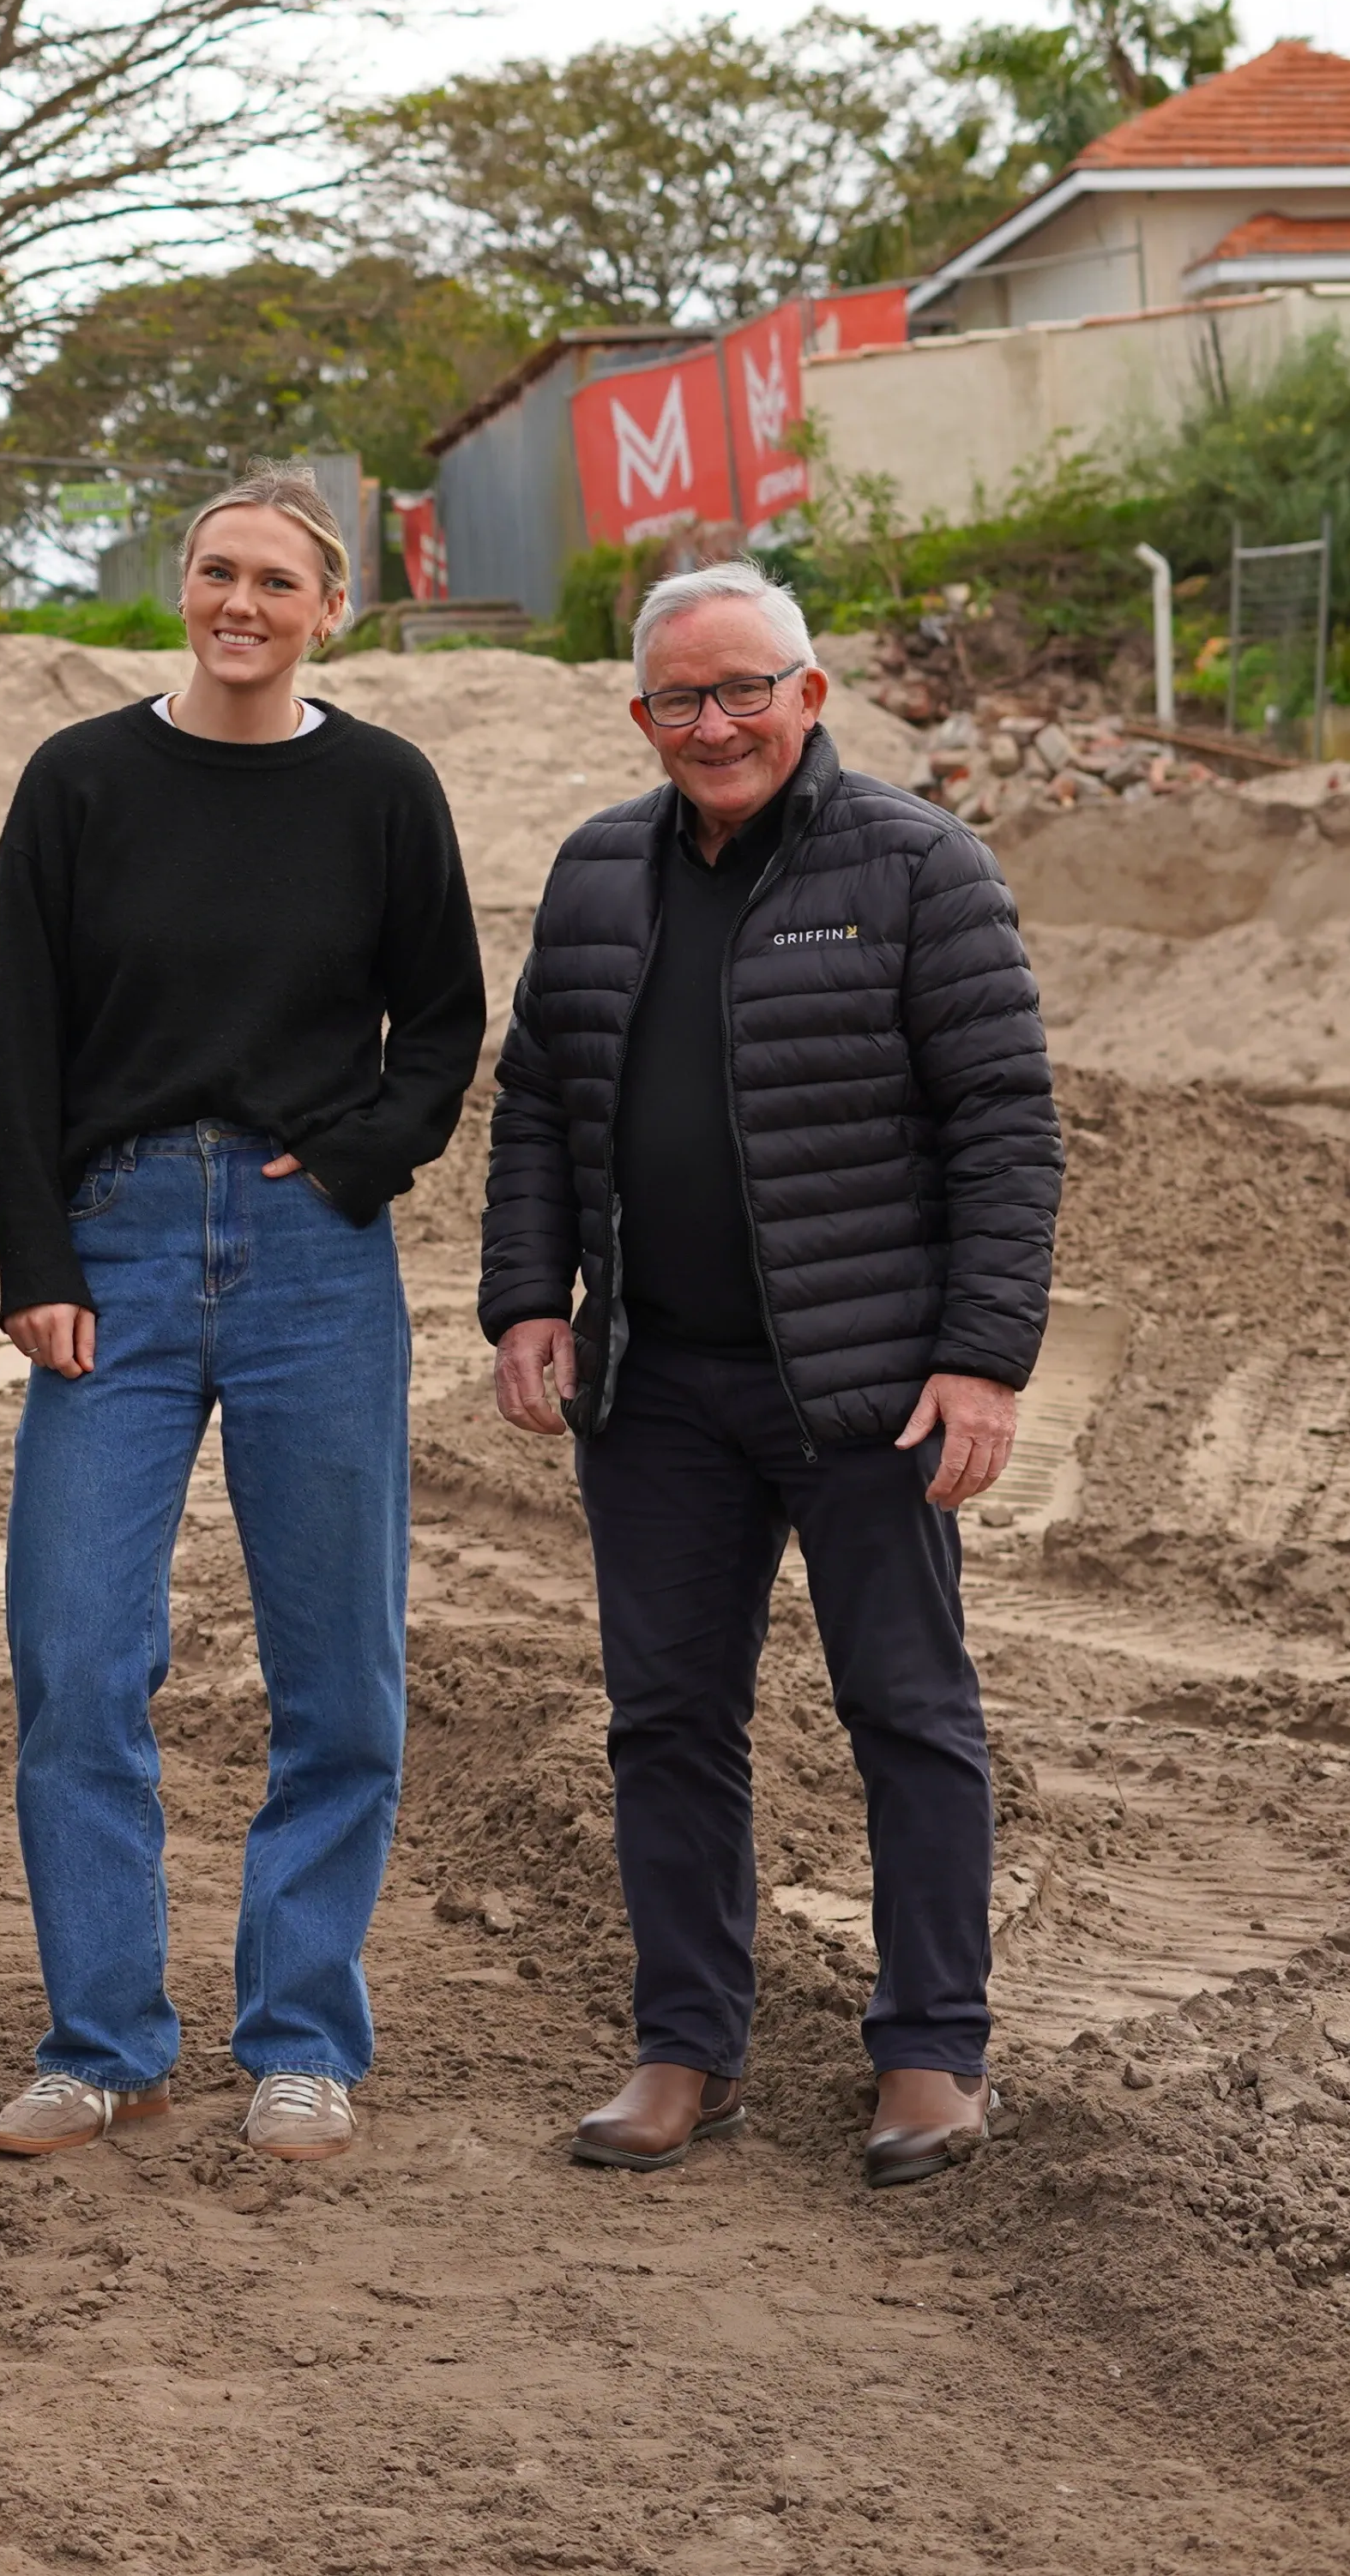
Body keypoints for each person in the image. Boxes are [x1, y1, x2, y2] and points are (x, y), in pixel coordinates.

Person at [481, 558, 1057, 2190]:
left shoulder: (923, 867)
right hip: (657, 1389)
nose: (716, 722)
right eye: (682, 695)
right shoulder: (598, 872)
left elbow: (1008, 1124)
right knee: (667, 1719)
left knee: (908, 1712)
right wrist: (529, 1296)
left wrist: (981, 1359)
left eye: (747, 689)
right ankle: (686, 2047)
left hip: (868, 1389)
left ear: (812, 696)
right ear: (641, 711)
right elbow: (537, 1102)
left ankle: (933, 2051)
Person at [0, 469, 487, 2167]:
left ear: (327, 608)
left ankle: (297, 2039)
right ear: (176, 583)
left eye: (276, 579)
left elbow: (441, 1027)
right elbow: (20, 1047)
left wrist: (348, 1162)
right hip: (112, 1245)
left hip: (310, 1260)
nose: (239, 602)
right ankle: (102, 2037)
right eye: (214, 570)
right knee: (70, 1653)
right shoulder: (76, 779)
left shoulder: (380, 789)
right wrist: (35, 1260)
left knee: (335, 1666)